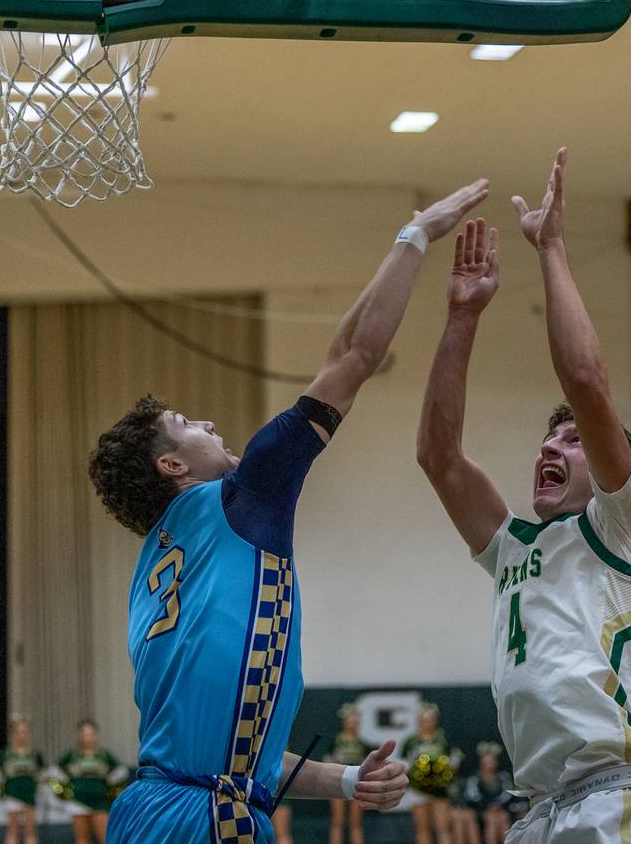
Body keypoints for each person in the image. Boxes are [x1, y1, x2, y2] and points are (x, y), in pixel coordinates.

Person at [88, 178, 489, 844]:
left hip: (150, 810)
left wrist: (345, 782)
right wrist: (415, 236)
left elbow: (231, 752)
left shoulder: (155, 564)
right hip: (209, 819)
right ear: (172, 466)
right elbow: (355, 355)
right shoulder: (243, 501)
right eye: (187, 423)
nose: (210, 422)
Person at [417, 150, 631, 841]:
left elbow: (587, 382)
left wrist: (553, 249)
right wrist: (461, 315)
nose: (550, 448)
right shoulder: (513, 546)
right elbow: (438, 458)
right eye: (548, 441)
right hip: (541, 809)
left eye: (570, 442)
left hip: (613, 800)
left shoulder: (623, 525)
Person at [53, 719, 129, 844]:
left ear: (95, 735)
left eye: (90, 734)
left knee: (105, 838)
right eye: (83, 734)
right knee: (82, 839)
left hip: (100, 800)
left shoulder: (103, 754)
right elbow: (54, 770)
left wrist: (110, 780)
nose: (87, 737)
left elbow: (122, 770)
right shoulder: (72, 754)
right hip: (78, 799)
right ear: (79, 735)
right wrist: (65, 782)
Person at [402, 703, 459, 844]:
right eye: (423, 719)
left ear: (435, 720)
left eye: (430, 719)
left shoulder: (444, 739)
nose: (427, 723)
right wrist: (419, 775)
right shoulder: (411, 742)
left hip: (440, 789)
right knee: (422, 829)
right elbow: (404, 766)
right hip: (418, 790)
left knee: (443, 827)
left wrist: (440, 774)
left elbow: (454, 763)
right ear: (418, 721)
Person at [452, 742, 527, 844]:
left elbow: (507, 794)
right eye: (486, 761)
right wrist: (487, 806)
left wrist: (497, 805)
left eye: (492, 761)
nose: (489, 764)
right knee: (491, 819)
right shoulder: (474, 778)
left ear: (496, 761)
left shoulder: (504, 777)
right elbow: (473, 796)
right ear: (481, 762)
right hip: (481, 811)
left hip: (501, 810)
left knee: (502, 818)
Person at [0, 715, 44, 844]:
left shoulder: (34, 753)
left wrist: (38, 783)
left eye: (24, 732)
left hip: (29, 792)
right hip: (12, 793)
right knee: (13, 829)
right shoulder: (5, 753)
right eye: (18, 732)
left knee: (30, 830)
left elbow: (42, 772)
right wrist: (1, 787)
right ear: (13, 733)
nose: (21, 735)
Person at [327, 705, 369, 844]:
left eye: (355, 719)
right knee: (338, 820)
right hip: (337, 781)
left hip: (357, 784)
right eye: (350, 719)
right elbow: (327, 760)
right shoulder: (336, 740)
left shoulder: (362, 743)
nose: (353, 722)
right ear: (344, 721)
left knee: (356, 822)